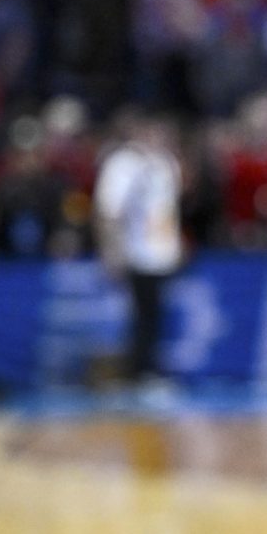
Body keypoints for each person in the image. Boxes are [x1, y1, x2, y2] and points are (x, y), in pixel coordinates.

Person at [93, 110, 185, 386]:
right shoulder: (123, 164)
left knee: (155, 313)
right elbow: (109, 212)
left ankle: (149, 367)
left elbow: (168, 209)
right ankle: (138, 370)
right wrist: (112, 250)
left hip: (161, 251)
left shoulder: (165, 163)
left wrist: (176, 244)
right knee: (140, 313)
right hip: (135, 251)